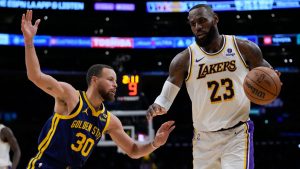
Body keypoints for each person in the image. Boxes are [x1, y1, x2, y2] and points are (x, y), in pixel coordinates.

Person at [21, 10, 175, 169]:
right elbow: (35, 76)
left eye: (115, 81)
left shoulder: (110, 120)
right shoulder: (70, 96)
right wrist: (29, 41)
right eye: (110, 80)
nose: (115, 84)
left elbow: (133, 150)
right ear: (94, 80)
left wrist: (155, 143)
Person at [146, 4, 281, 169]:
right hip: (204, 139)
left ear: (215, 19)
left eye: (202, 21)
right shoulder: (183, 60)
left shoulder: (243, 48)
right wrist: (158, 105)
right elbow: (165, 97)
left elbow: (268, 73)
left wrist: (273, 78)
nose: (198, 27)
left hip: (237, 133)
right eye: (193, 23)